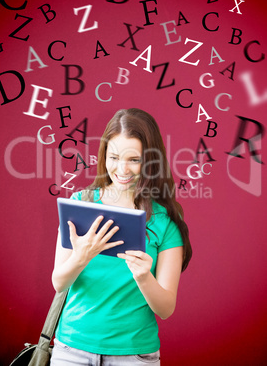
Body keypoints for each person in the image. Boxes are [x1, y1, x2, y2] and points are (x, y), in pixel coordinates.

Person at [51, 108, 192, 366]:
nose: (122, 169)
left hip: (135, 355)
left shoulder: (165, 223)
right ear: (104, 154)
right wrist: (80, 258)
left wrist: (143, 276)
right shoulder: (79, 204)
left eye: (134, 160)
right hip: (71, 349)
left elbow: (166, 309)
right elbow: (59, 282)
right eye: (114, 157)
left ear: (151, 161)